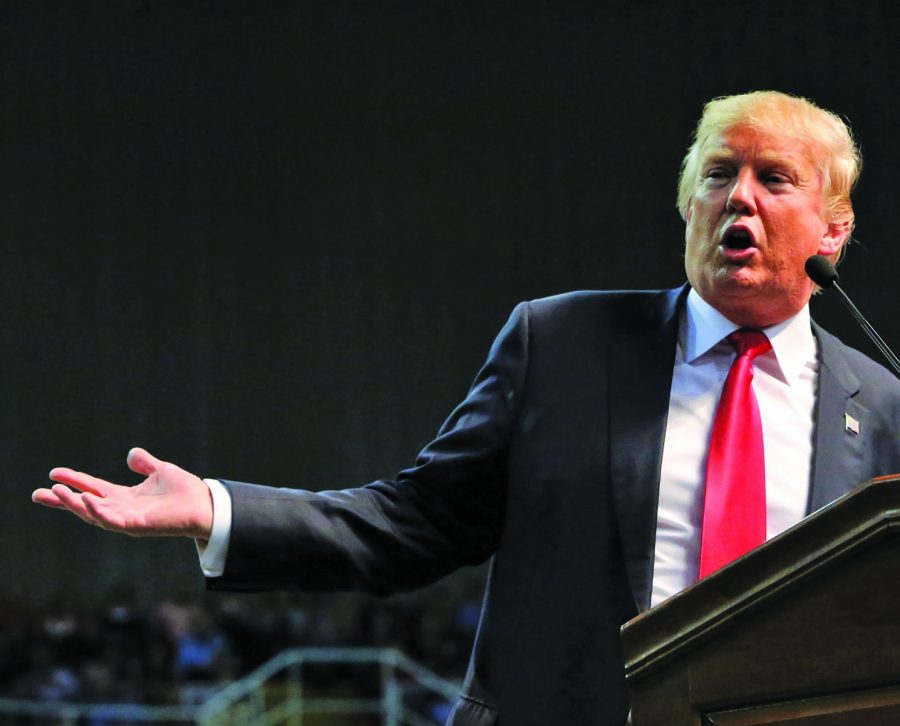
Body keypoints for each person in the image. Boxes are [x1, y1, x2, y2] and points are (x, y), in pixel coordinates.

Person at [33, 91, 900, 726]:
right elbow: (414, 524)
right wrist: (217, 509)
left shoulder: (884, 405)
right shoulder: (561, 344)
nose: (738, 197)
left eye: (773, 178)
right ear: (687, 204)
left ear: (832, 228)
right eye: (719, 174)